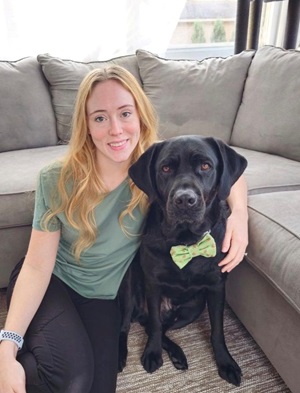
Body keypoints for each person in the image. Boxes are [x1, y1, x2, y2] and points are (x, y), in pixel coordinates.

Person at [0, 65, 248, 393]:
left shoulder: (157, 168)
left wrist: (240, 216)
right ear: (86, 125)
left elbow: (224, 167)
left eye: (125, 113)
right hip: (53, 281)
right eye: (100, 117)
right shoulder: (56, 178)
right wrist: (7, 349)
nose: (116, 130)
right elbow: (36, 266)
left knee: (98, 387)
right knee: (72, 380)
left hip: (102, 295)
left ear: (140, 116)